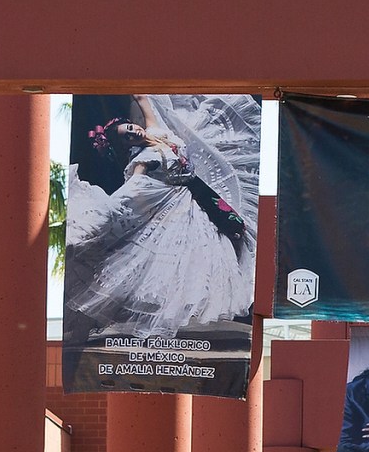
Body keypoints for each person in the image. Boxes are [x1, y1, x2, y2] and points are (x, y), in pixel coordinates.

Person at [64, 95, 258, 343]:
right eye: (127, 136)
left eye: (130, 128)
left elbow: (143, 99)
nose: (133, 132)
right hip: (178, 205)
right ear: (126, 144)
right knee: (185, 259)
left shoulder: (156, 129)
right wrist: (105, 207)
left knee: (219, 244)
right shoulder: (141, 160)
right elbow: (131, 189)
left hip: (197, 194)